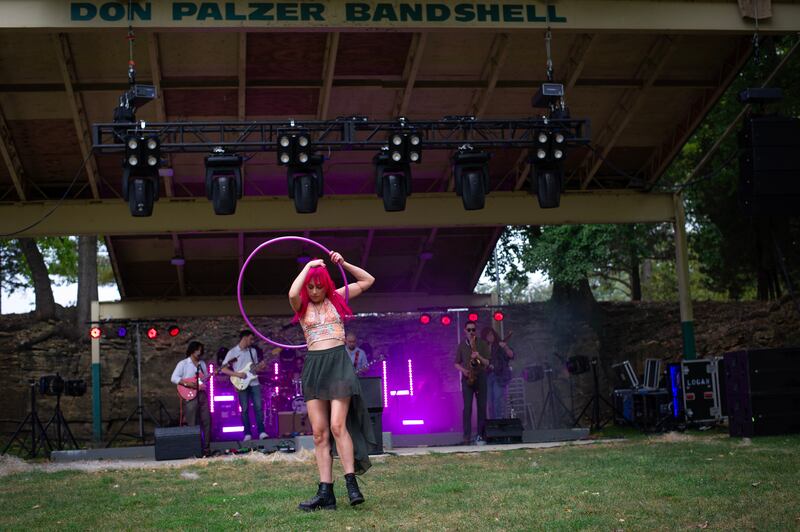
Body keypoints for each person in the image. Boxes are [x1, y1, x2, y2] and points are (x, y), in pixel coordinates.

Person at [289, 250, 376, 511]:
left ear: (326, 285)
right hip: (315, 366)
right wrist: (308, 267)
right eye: (311, 287)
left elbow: (367, 280)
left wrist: (343, 263)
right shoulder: (301, 304)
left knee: (338, 425)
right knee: (319, 433)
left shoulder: (337, 298)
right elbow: (293, 293)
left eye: (318, 286)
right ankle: (326, 492)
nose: (315, 291)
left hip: (338, 363)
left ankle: (351, 484)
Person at [220, 330, 268, 441]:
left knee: (259, 408)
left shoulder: (253, 351)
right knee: (245, 409)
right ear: (245, 338)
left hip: (254, 383)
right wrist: (237, 374)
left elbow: (254, 368)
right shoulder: (233, 352)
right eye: (251, 338)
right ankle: (247, 433)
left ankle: (261, 432)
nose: (252, 341)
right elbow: (223, 369)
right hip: (241, 384)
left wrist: (261, 367)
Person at [171, 341, 212, 454]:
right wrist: (187, 384)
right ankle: (194, 449)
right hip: (190, 396)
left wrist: (208, 378)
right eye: (197, 350)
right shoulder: (183, 364)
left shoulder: (202, 364)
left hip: (202, 394)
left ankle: (206, 448)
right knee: (192, 423)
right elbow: (173, 378)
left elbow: (204, 379)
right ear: (192, 350)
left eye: (200, 350)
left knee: (207, 421)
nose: (199, 352)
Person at [454, 320, 490, 445]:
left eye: (473, 329)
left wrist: (478, 356)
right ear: (465, 331)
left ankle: (481, 435)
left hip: (480, 377)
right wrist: (464, 371)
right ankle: (466, 436)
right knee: (467, 407)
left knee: (481, 407)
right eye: (468, 330)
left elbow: (487, 363)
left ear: (476, 331)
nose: (471, 332)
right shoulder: (461, 345)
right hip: (468, 377)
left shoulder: (483, 344)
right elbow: (456, 363)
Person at [482, 327, 515, 419]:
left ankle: (499, 422)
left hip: (499, 376)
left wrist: (505, 346)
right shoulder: (484, 348)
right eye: (487, 335)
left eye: (491, 334)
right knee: (490, 402)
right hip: (488, 376)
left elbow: (511, 355)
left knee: (498, 400)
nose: (490, 337)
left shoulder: (500, 345)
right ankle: (493, 423)